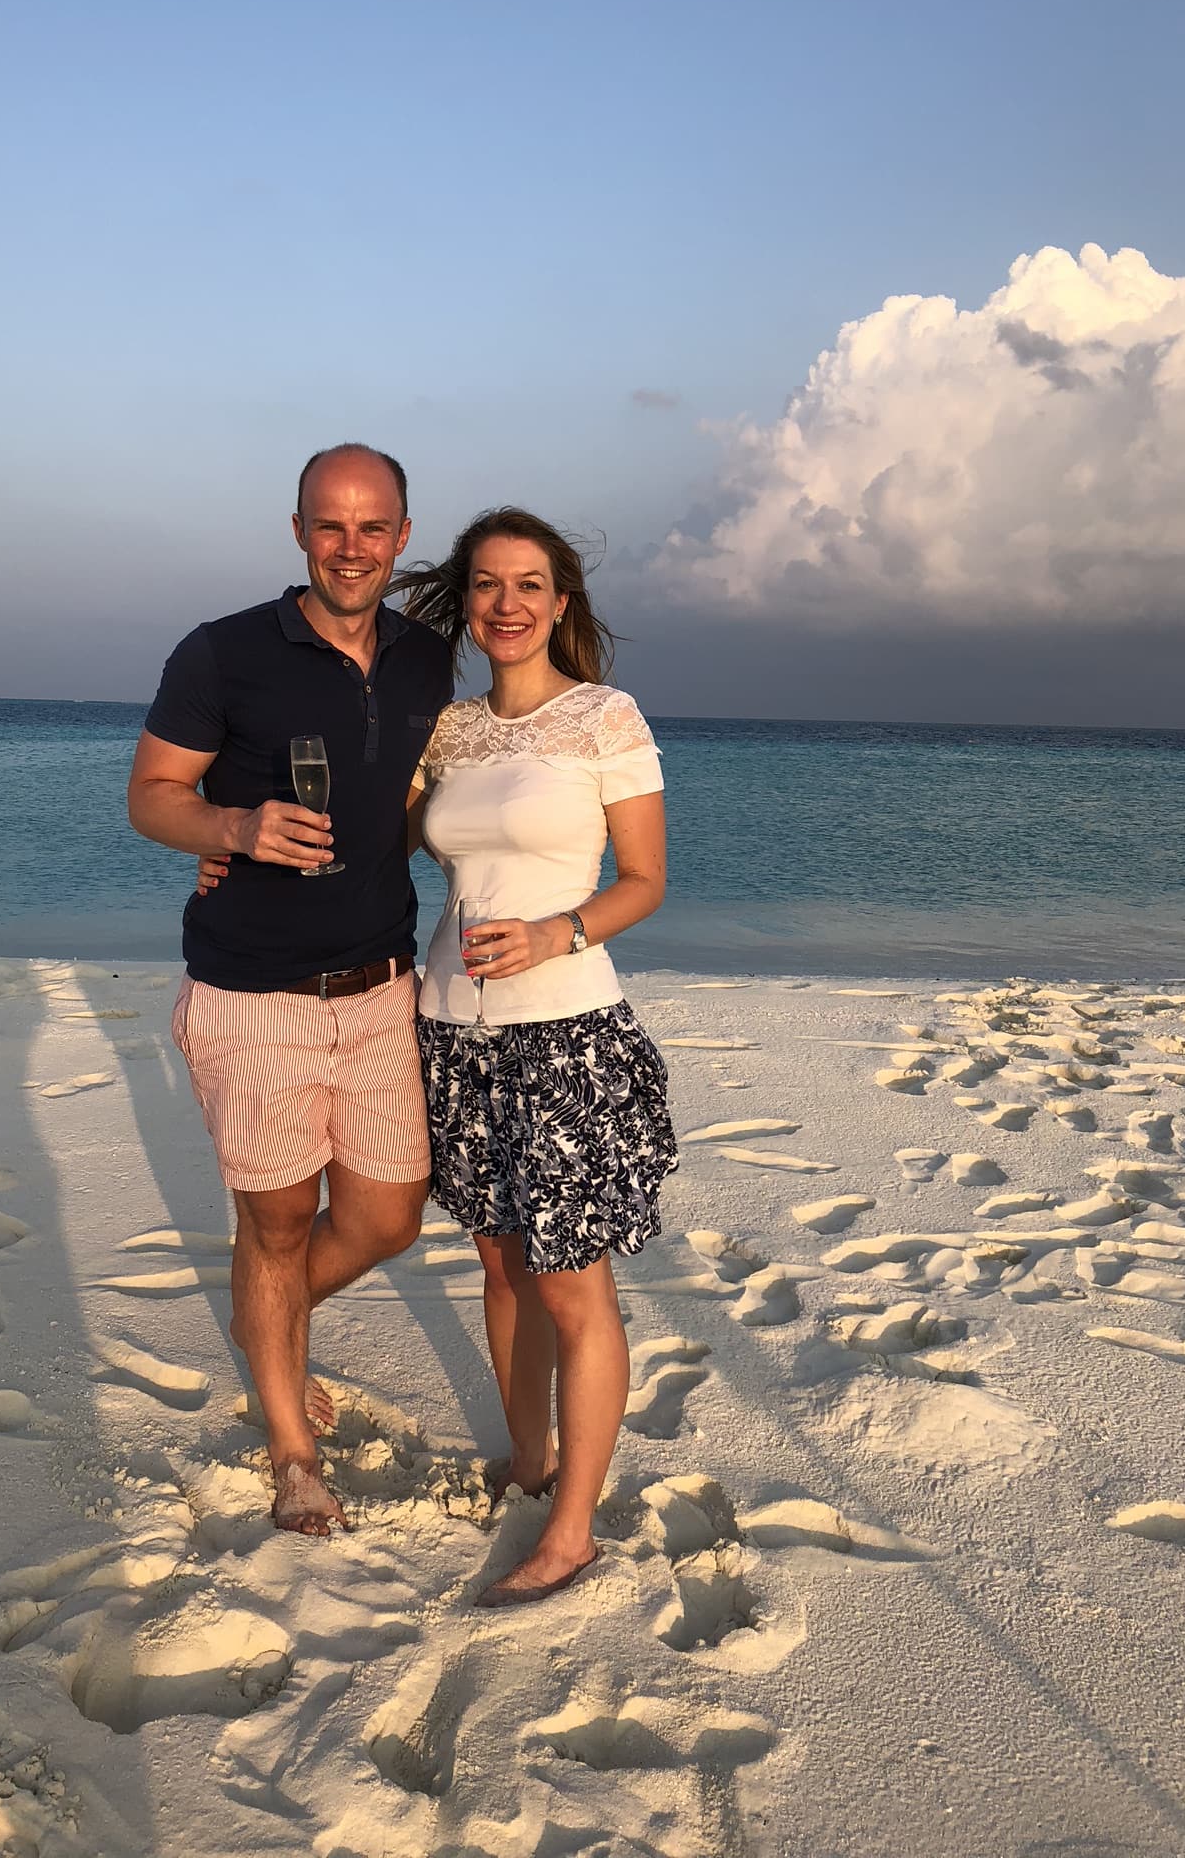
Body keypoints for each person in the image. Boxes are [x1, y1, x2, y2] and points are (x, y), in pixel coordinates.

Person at [128, 444, 453, 1538]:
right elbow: (152, 796)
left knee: (386, 1214)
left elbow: (411, 801)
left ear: (403, 536)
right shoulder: (221, 653)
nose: (350, 547)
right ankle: (294, 1452)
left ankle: (264, 1323)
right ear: (299, 529)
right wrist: (232, 828)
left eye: (373, 527)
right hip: (252, 991)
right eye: (330, 525)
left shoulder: (425, 658)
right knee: (273, 1222)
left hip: (381, 989)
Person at [403, 507, 676, 1606]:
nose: (505, 603)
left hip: (565, 1031)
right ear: (465, 603)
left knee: (571, 1280)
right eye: (485, 585)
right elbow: (378, 836)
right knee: (500, 1261)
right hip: (452, 1029)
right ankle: (529, 1464)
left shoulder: (604, 717)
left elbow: (645, 880)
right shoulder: (448, 727)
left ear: (562, 602)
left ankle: (572, 1531)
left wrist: (556, 929)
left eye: (528, 584)